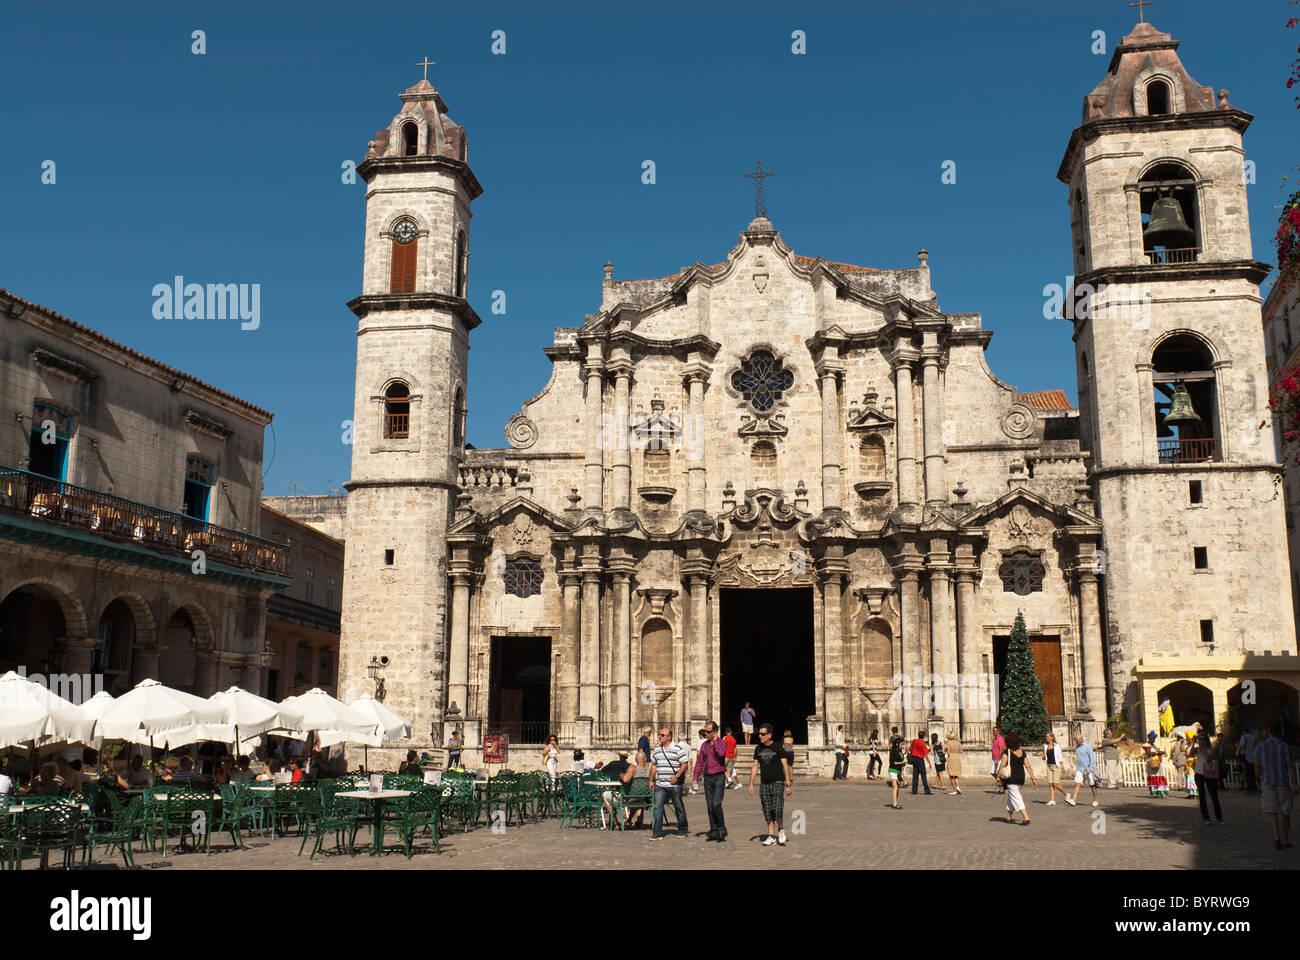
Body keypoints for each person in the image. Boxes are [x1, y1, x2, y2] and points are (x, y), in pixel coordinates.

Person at [1251, 721, 1296, 849]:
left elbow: (1257, 764)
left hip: (1268, 781)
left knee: (1272, 810)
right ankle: (1286, 839)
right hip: (1282, 781)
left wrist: (1257, 779)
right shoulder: (1284, 746)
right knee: (1285, 811)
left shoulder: (1261, 745)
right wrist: (1295, 783)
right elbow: (1290, 766)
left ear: (1269, 731)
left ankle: (1277, 837)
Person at [749, 723, 793, 846]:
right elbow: (755, 767)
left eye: (763, 734)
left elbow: (785, 766)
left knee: (777, 809)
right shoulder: (758, 749)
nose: (760, 736)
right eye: (759, 734)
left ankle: (781, 830)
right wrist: (751, 784)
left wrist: (788, 784)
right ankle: (771, 836)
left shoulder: (778, 747)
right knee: (767, 810)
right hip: (764, 784)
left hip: (777, 782)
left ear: (769, 735)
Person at [648, 727, 689, 840]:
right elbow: (654, 765)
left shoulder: (677, 748)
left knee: (679, 807)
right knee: (658, 808)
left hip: (674, 785)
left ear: (669, 737)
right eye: (659, 735)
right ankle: (657, 832)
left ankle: (683, 829)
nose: (660, 737)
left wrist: (677, 775)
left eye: (662, 735)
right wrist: (651, 780)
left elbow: (684, 763)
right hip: (660, 784)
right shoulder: (657, 750)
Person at [692, 720, 729, 842]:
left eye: (708, 732)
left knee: (716, 803)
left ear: (714, 732)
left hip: (719, 776)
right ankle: (713, 829)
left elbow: (721, 753)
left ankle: (722, 827)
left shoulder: (722, 743)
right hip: (708, 777)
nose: (705, 734)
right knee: (709, 805)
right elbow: (699, 763)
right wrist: (695, 779)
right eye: (705, 731)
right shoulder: (704, 745)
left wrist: (715, 742)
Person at [997, 731, 1036, 825]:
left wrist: (998, 776)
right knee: (1011, 797)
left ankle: (1026, 818)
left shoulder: (1007, 752)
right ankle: (1008, 817)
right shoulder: (1022, 752)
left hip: (1012, 778)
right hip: (1021, 777)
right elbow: (1027, 766)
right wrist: (1033, 778)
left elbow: (1002, 764)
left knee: (1016, 797)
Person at [598, 750, 639, 828]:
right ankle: (628, 820)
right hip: (628, 794)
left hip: (615, 790)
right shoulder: (630, 766)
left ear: (619, 756)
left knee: (604, 795)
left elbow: (603, 770)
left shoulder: (613, 764)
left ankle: (615, 821)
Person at [1190, 731, 1222, 824]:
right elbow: (1190, 754)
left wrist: (1202, 748)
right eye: (1200, 739)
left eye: (1203, 739)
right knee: (1202, 796)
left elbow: (1209, 758)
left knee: (1213, 795)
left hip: (1209, 773)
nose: (1201, 741)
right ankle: (1206, 817)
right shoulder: (1197, 748)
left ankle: (1219, 816)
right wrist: (1194, 743)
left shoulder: (1211, 749)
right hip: (1199, 773)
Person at [1068, 732, 1099, 807]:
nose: (1076, 742)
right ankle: (1074, 800)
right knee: (1077, 783)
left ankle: (1096, 800)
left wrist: (1091, 769)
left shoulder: (1087, 746)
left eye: (1077, 741)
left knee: (1092, 785)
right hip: (1079, 768)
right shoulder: (1077, 747)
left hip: (1088, 769)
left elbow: (1092, 758)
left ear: (1081, 739)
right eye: (1075, 741)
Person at [1043, 732, 1067, 805]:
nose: (1047, 738)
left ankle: (1066, 794)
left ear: (1052, 737)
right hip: (1049, 766)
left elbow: (1059, 757)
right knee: (1050, 784)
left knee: (1055, 783)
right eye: (1046, 736)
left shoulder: (1056, 746)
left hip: (1056, 766)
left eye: (1048, 736)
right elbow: (1044, 755)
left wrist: (1062, 766)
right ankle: (1052, 800)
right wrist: (1043, 756)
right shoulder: (1045, 746)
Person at [1142, 732, 1168, 798]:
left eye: (1154, 738)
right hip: (1152, 763)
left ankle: (1159, 792)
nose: (1154, 739)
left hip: (1157, 762)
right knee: (1154, 777)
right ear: (1150, 738)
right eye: (1153, 738)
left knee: (1159, 776)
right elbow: (1148, 752)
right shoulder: (1147, 744)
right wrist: (1156, 753)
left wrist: (1159, 753)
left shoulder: (1153, 745)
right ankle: (1156, 793)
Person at [909, 730, 931, 795]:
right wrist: (929, 762)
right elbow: (926, 754)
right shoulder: (923, 743)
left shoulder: (914, 741)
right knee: (923, 775)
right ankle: (926, 790)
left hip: (914, 759)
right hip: (920, 759)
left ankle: (914, 790)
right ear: (923, 736)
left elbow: (910, 749)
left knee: (915, 775)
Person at [887, 734, 906, 809]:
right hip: (892, 770)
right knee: (895, 787)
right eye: (901, 744)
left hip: (898, 771)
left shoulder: (900, 751)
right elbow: (892, 762)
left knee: (898, 787)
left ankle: (896, 801)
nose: (902, 746)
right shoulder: (893, 751)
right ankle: (894, 804)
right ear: (897, 744)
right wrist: (901, 763)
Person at [1239, 726, 1259, 794]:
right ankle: (1254, 787)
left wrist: (1237, 746)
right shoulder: (1253, 737)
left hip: (1246, 756)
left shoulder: (1243, 737)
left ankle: (1251, 788)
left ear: (1244, 731)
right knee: (1252, 773)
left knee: (1248, 773)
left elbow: (1242, 746)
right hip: (1252, 757)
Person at [991, 726, 1006, 792]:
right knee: (993, 772)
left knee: (998, 774)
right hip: (994, 758)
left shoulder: (1000, 739)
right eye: (993, 731)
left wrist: (998, 759)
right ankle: (1002, 786)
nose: (993, 732)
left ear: (998, 732)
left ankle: (1002, 788)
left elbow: (1001, 749)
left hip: (998, 759)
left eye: (994, 731)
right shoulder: (995, 739)